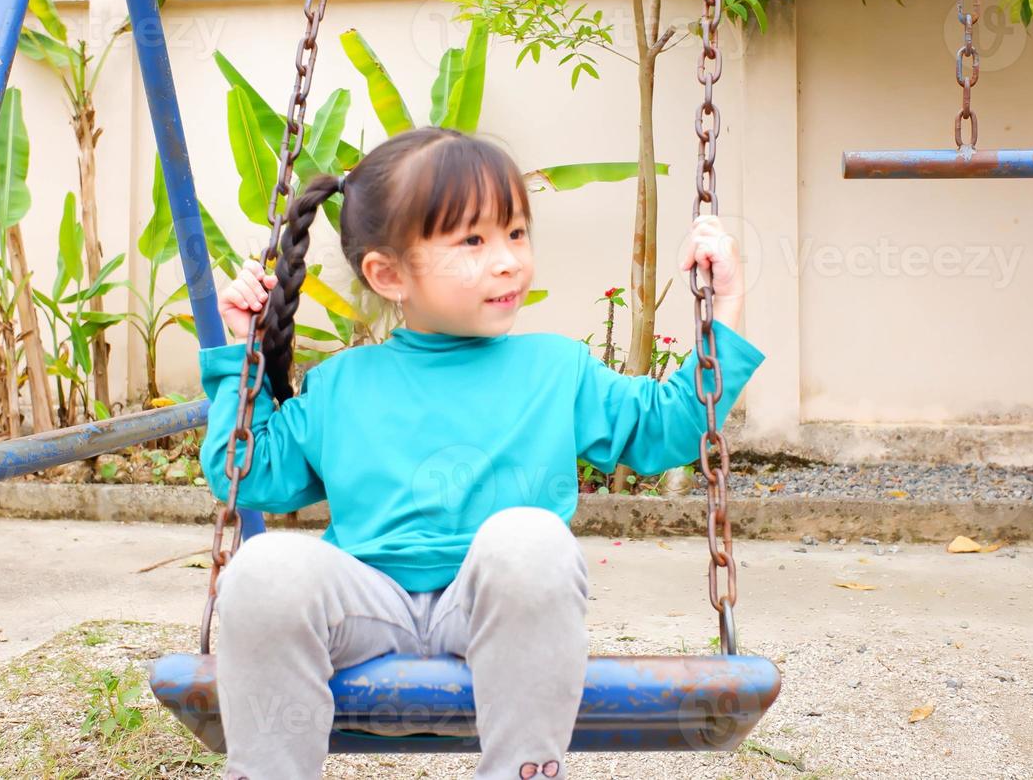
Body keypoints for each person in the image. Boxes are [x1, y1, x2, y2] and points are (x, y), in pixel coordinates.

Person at [199, 126, 765, 780]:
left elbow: (664, 428)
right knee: (264, 564)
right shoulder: (344, 383)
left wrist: (721, 308)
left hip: (493, 605)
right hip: (364, 603)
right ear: (389, 274)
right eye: (473, 240)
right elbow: (247, 473)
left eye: (516, 233)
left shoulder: (557, 369)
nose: (507, 260)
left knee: (530, 539)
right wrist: (239, 356)